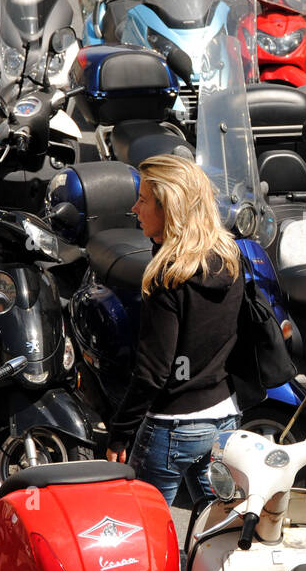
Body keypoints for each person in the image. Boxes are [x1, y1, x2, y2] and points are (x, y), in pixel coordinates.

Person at [105, 154, 245, 507]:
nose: (134, 208)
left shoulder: (168, 275)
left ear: (170, 208)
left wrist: (119, 433)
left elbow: (153, 372)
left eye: (143, 199)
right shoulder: (228, 256)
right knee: (215, 527)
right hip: (223, 417)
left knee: (145, 531)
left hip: (173, 424)